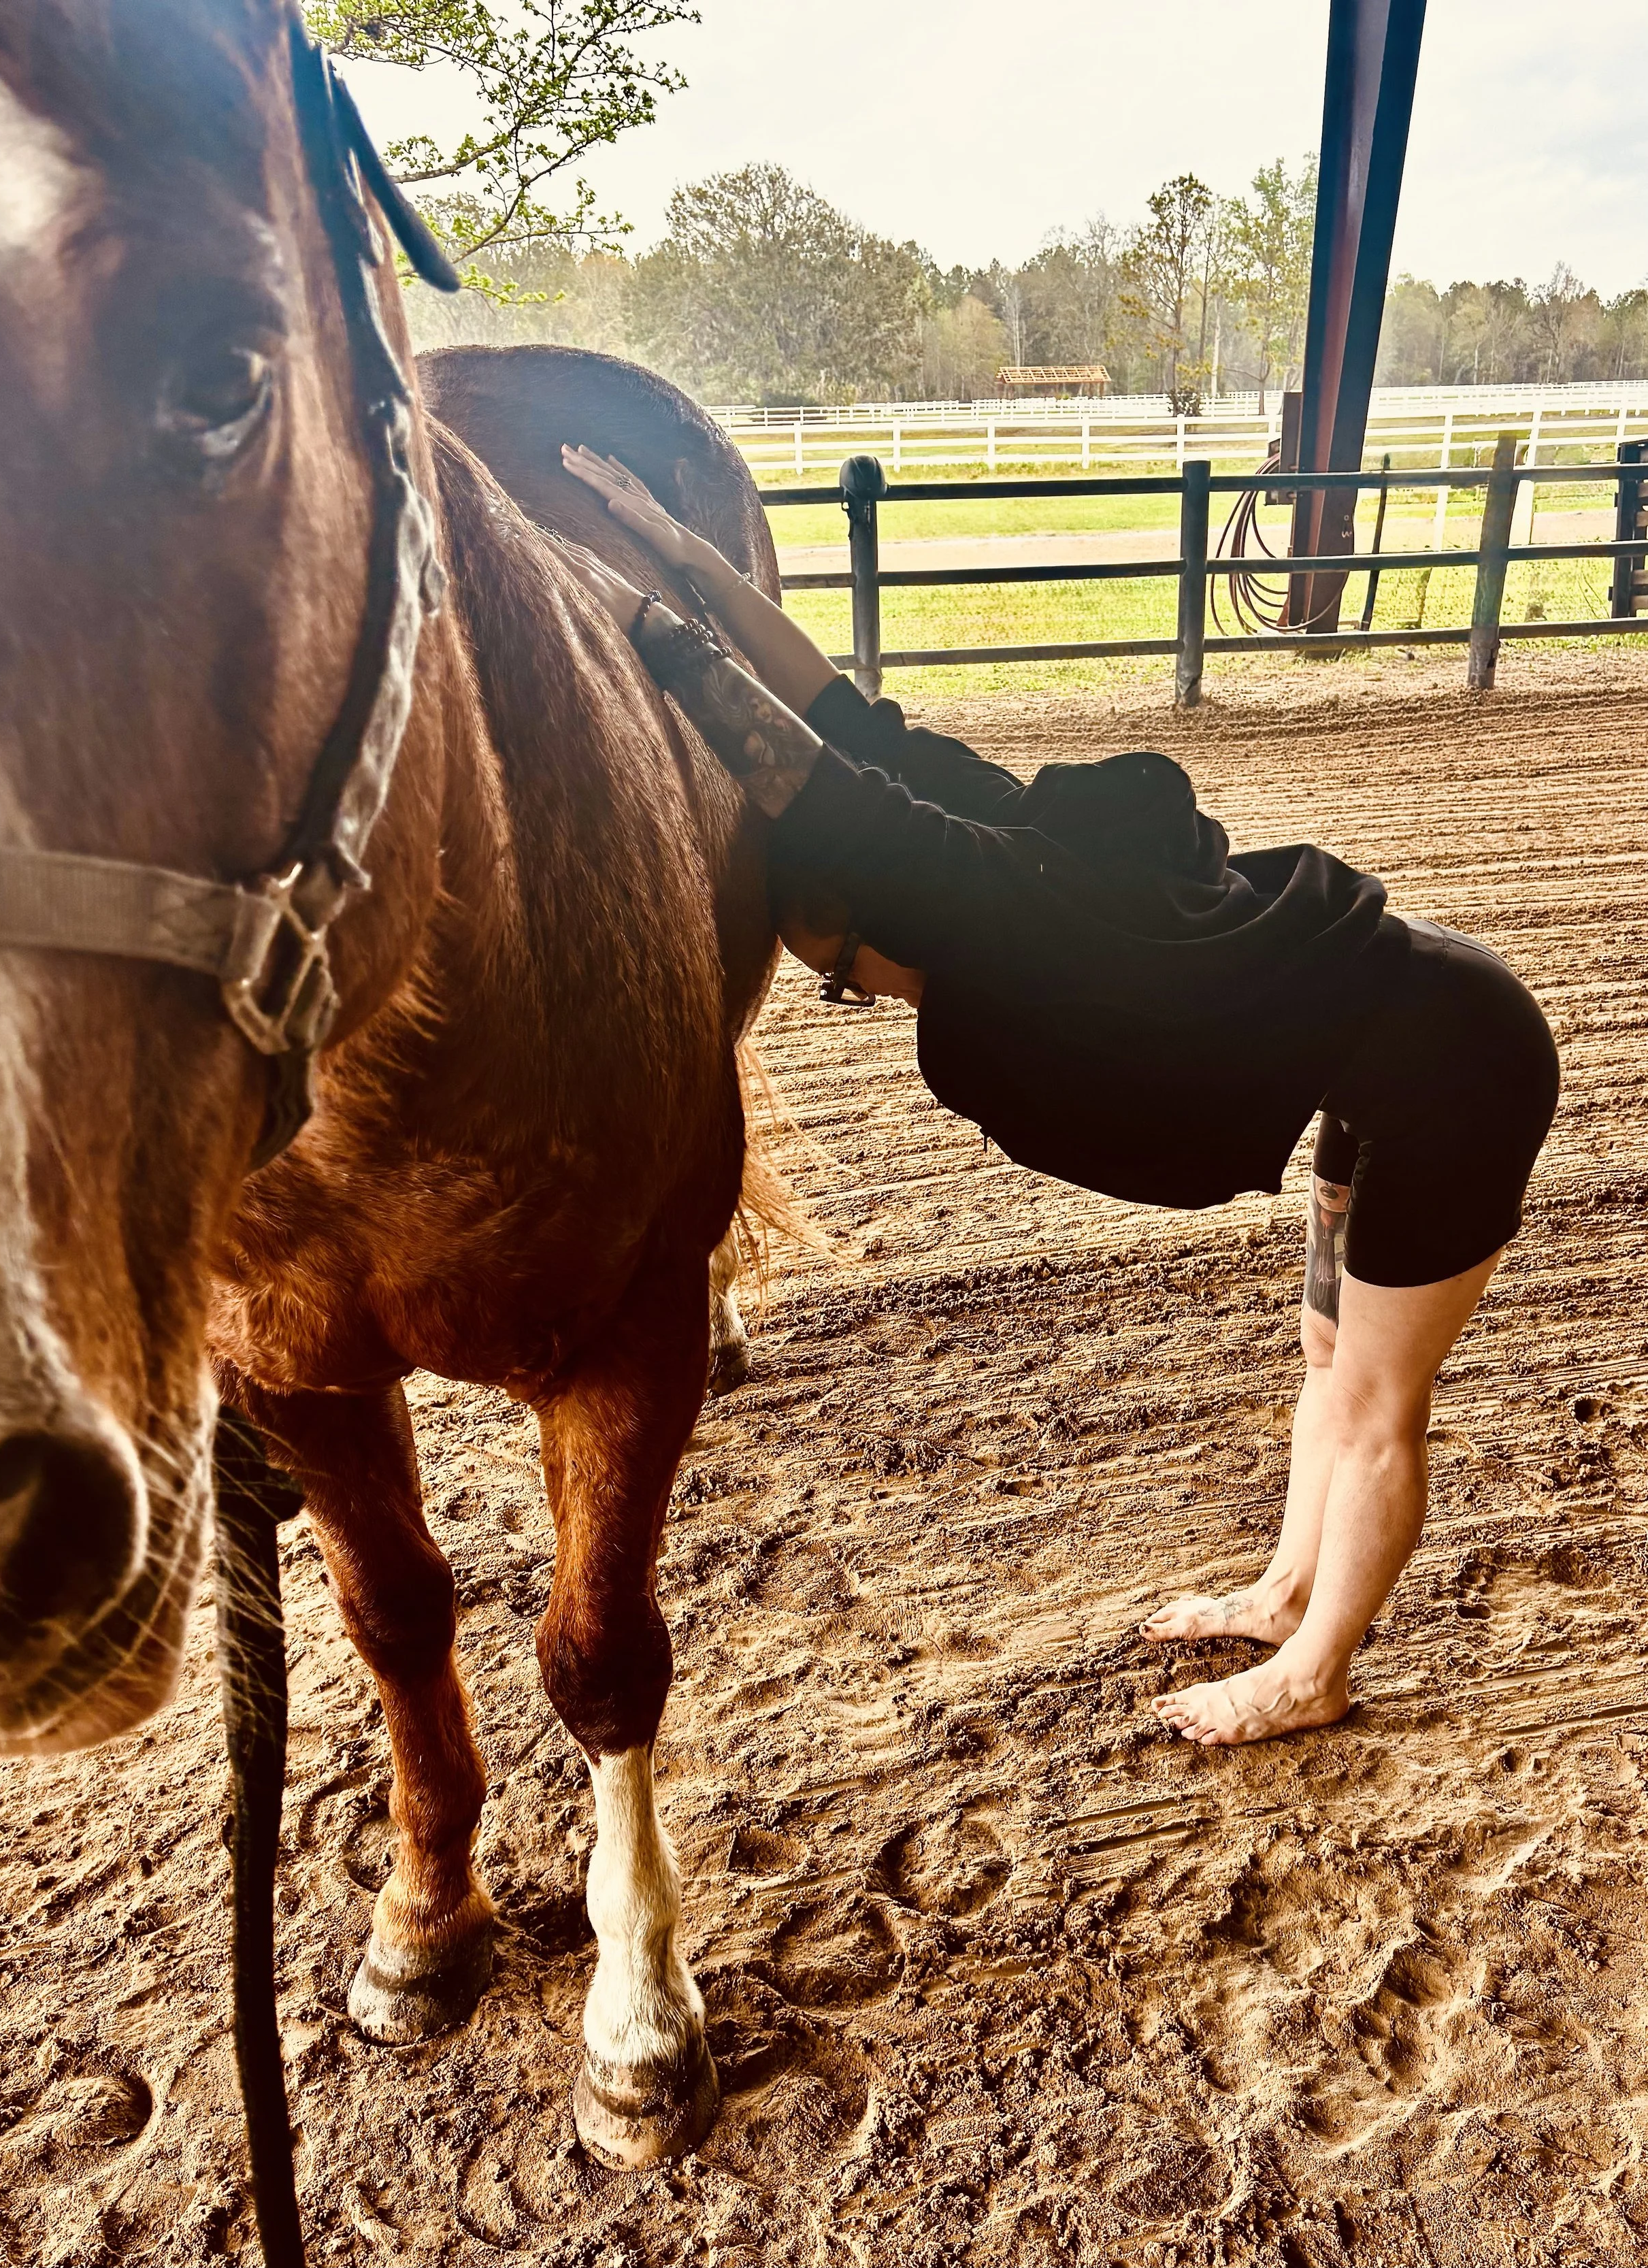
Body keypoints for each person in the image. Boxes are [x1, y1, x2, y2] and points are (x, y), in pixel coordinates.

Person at [551, 444, 1560, 1749]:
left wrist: (630, 615)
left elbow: (827, 787)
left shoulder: (1008, 908)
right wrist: (689, 564)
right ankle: (1288, 1590)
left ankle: (1320, 1669)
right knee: (1326, 1354)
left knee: (1377, 1401)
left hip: (1457, 1068)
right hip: (1379, 1046)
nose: (858, 995)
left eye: (841, 979)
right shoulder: (1014, 844)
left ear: (875, 933)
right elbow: (853, 727)